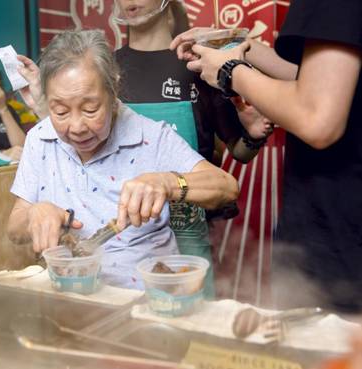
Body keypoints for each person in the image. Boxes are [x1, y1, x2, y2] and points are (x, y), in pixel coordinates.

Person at [6, 29, 239, 289]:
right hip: (72, 295)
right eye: (60, 111)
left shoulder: (151, 136)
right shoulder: (40, 138)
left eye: (90, 108)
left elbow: (227, 187)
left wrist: (168, 183)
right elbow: (14, 228)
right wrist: (35, 214)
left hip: (147, 299)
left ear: (113, 87)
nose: (76, 126)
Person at [170, 0, 362, 311]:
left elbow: (317, 117)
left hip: (340, 238)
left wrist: (230, 71)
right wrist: (240, 45)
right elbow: (321, 82)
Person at [111, 0, 273, 297]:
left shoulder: (200, 63)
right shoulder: (106, 69)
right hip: (120, 233)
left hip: (188, 236)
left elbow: (239, 151)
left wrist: (253, 134)